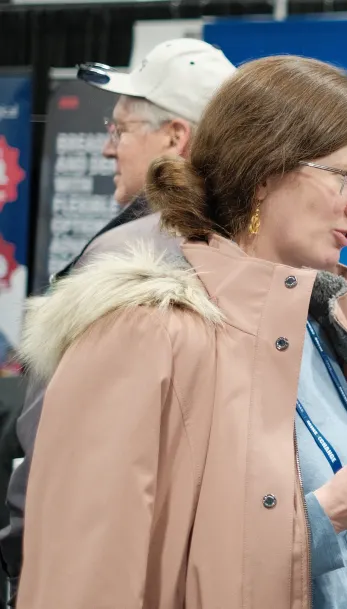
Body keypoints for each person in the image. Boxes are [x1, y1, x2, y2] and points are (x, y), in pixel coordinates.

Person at [15, 55, 347, 608]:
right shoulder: (143, 330)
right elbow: (89, 577)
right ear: (263, 173)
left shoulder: (324, 324)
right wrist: (330, 514)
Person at [0, 38, 236, 601]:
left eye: (121, 131)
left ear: (175, 139)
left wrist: (19, 553)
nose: (110, 150)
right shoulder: (238, 250)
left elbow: (57, 443)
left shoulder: (134, 255)